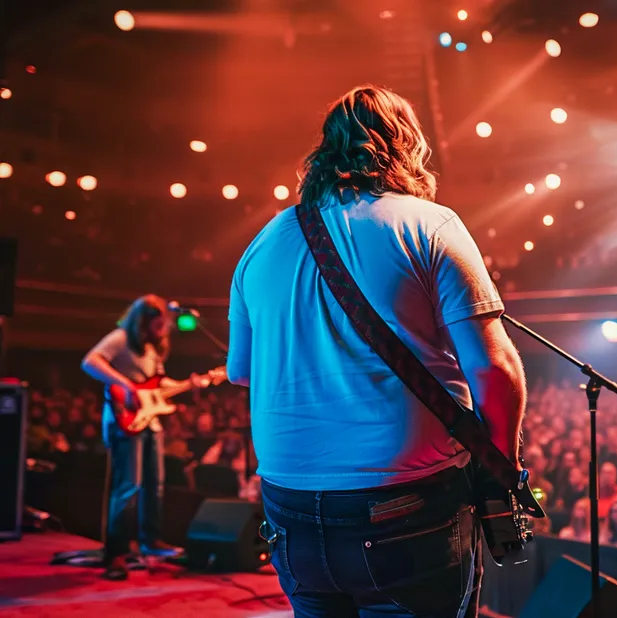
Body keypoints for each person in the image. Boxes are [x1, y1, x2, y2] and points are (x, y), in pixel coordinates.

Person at [227, 85, 527, 618]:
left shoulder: (262, 243)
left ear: (324, 150)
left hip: (288, 508)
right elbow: (495, 369)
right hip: (407, 507)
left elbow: (243, 374)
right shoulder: (430, 224)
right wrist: (501, 467)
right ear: (407, 145)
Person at [81, 294, 205, 581]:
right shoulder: (121, 338)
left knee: (154, 485)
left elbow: (160, 385)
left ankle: (151, 540)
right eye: (159, 322)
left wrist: (191, 384)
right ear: (144, 320)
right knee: (128, 487)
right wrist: (125, 384)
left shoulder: (153, 348)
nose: (164, 328)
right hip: (125, 421)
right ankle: (117, 553)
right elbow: (90, 361)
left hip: (151, 424)